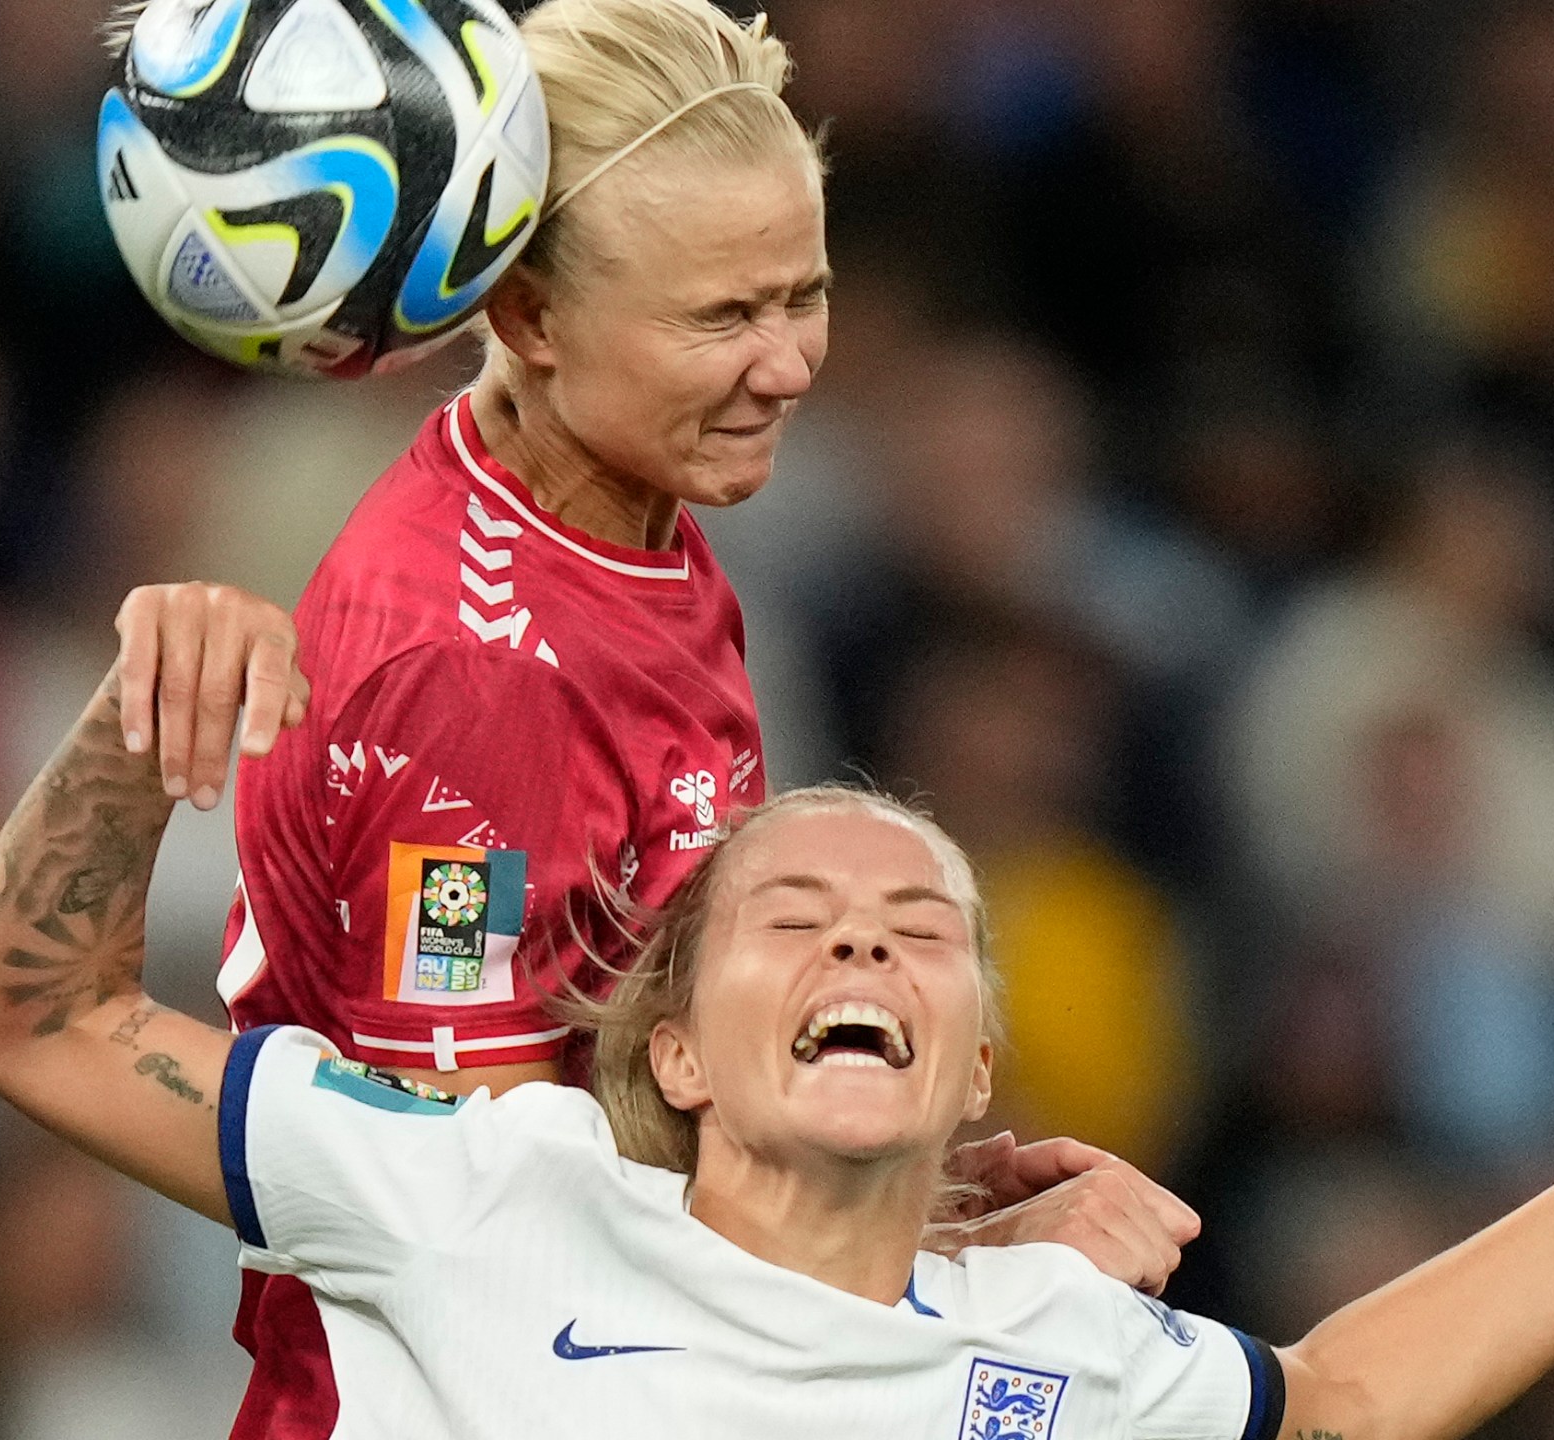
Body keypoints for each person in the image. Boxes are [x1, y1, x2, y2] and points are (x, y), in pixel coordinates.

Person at [0, 622, 1554, 1439]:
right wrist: (133, 735)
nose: (863, 952)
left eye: (920, 935)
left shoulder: (1058, 1361)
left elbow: (1337, 1406)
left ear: (975, 1064)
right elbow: (24, 1021)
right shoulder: (481, 1198)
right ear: (687, 1054)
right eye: (792, 918)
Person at [103, 0, 1195, 1429]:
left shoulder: (628, 533)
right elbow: (501, 1236)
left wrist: (904, 1210)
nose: (792, 363)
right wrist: (940, 1260)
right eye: (722, 317)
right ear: (532, 315)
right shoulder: (475, 682)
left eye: (803, 294)